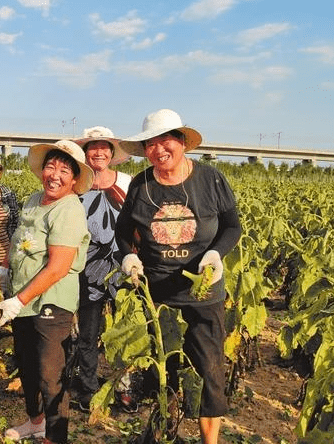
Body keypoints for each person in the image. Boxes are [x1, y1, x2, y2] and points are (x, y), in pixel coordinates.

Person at [116, 109, 242, 444]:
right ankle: (164, 433)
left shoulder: (210, 179)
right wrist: (129, 256)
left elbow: (232, 226)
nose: (158, 149)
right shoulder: (141, 185)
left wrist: (215, 255)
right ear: (145, 150)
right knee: (163, 371)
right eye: (151, 144)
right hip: (159, 300)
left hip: (204, 296)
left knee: (209, 373)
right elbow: (123, 230)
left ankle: (208, 441)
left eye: (166, 140)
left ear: (182, 142)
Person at [0, 140, 93, 444]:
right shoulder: (35, 199)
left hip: (51, 302)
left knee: (51, 374)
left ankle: (55, 436)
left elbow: (59, 267)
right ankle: (36, 422)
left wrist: (18, 299)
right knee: (28, 364)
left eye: (64, 170)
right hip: (23, 299)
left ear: (74, 180)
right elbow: (18, 238)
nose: (55, 174)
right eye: (51, 166)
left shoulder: (69, 209)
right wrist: (5, 270)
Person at [72, 126, 133, 412]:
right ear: (85, 153)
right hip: (87, 268)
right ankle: (88, 388)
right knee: (88, 331)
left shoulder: (127, 182)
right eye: (92, 147)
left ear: (111, 152)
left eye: (104, 147)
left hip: (124, 266)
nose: (98, 152)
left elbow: (139, 223)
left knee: (125, 329)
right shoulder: (78, 184)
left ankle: (124, 387)